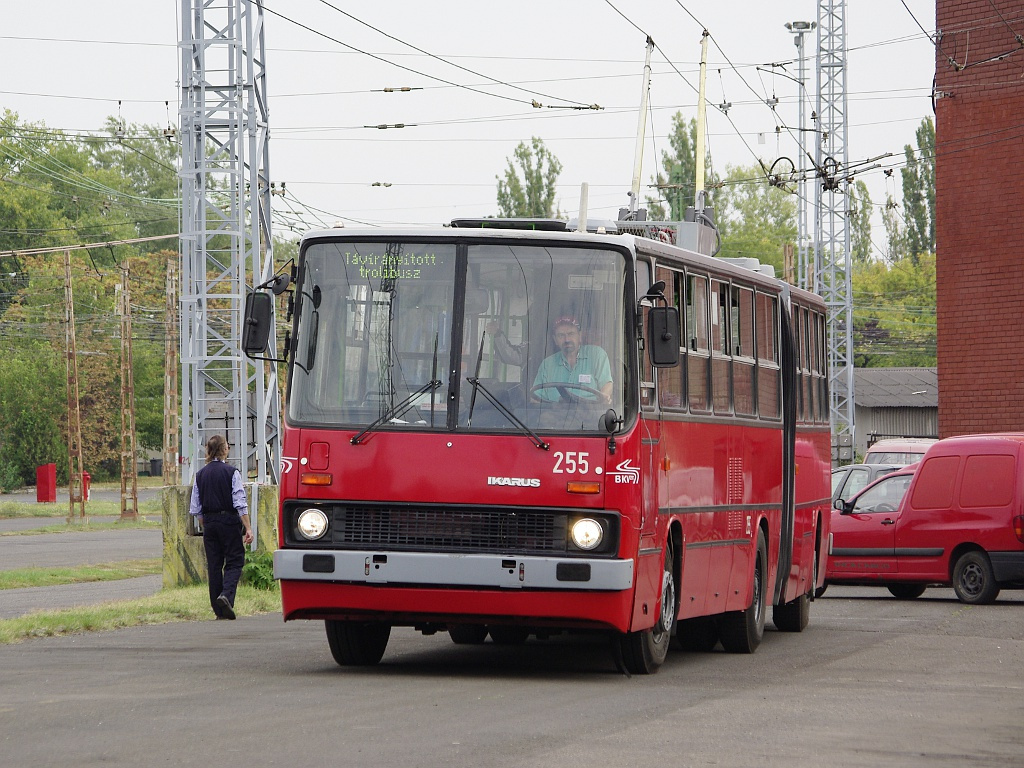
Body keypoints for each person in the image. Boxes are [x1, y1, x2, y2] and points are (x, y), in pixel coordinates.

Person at [189, 435, 254, 620]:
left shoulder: (200, 475)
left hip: (209, 524)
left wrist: (206, 524)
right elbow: (239, 502)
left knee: (214, 565)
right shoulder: (232, 472)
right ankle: (226, 596)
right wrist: (247, 527)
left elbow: (196, 507)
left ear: (208, 451)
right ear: (224, 449)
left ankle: (218, 610)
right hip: (228, 521)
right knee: (234, 561)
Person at [533, 317, 613, 403]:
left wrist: (603, 401)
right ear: (555, 339)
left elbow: (606, 385)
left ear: (580, 336)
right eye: (561, 335)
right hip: (554, 413)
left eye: (571, 334)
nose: (567, 339)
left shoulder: (597, 355)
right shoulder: (547, 364)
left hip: (589, 413)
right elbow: (535, 399)